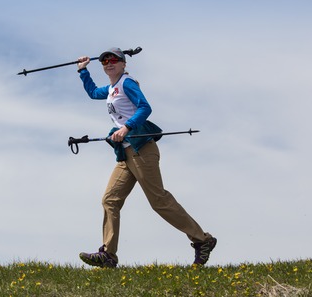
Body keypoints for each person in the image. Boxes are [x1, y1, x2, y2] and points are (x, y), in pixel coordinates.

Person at [75, 47, 217, 268]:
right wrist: (83, 71)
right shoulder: (112, 88)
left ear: (123, 64)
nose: (108, 63)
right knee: (110, 200)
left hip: (142, 150)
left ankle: (203, 240)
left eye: (114, 59)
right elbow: (93, 92)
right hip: (126, 153)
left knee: (159, 201)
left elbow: (145, 107)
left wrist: (126, 128)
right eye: (104, 61)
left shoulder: (127, 83)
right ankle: (108, 255)